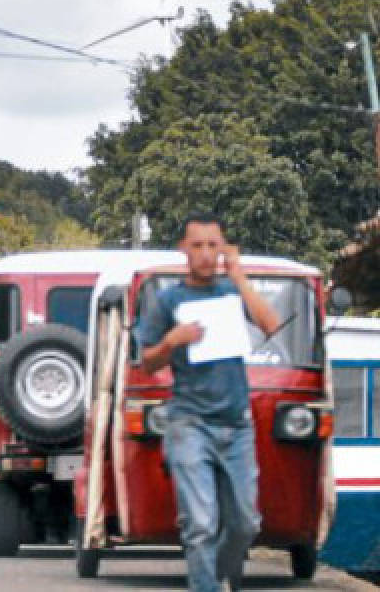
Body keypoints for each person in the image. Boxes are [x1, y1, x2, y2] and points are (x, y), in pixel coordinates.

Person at [136, 213, 280, 592]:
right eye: (196, 245)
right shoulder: (169, 300)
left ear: (223, 248)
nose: (205, 253)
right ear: (184, 249)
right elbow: (147, 362)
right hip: (189, 422)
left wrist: (239, 275)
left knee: (246, 523)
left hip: (237, 423)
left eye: (213, 245)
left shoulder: (233, 292)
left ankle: (214, 578)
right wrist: (172, 341)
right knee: (200, 523)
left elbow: (270, 324)